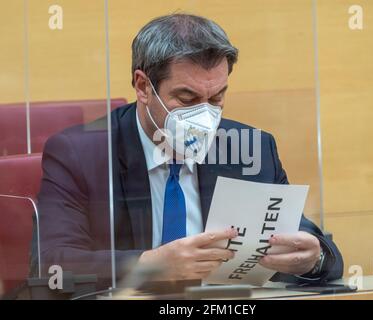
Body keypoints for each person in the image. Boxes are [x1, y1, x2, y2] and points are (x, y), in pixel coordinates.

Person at [31, 14, 343, 290]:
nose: (204, 117)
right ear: (142, 86)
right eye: (187, 98)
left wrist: (312, 258)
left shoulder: (249, 148)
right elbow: (52, 264)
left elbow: (319, 250)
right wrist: (149, 265)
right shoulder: (79, 153)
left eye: (217, 98)